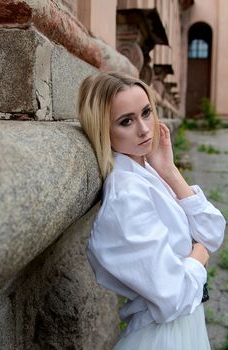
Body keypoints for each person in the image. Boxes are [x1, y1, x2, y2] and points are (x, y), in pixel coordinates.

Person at [77, 71, 226, 350]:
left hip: (183, 324)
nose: (145, 129)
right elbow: (174, 295)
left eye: (146, 113)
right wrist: (200, 253)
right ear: (103, 130)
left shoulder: (148, 170)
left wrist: (169, 170)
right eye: (126, 121)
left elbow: (213, 230)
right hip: (161, 336)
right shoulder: (127, 196)